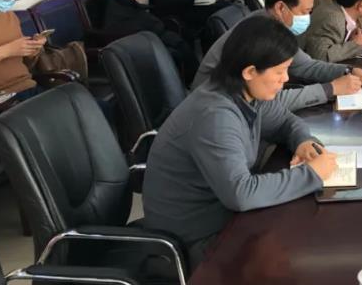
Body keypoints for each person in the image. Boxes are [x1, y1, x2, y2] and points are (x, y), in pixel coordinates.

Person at [143, 14, 339, 266]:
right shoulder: (215, 115)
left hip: (226, 218)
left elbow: (285, 122)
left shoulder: (245, 93)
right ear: (249, 71)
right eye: (279, 71)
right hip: (193, 240)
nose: (286, 79)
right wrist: (312, 174)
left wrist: (303, 141)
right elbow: (241, 194)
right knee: (303, 249)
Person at [193, 0, 362, 107]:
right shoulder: (261, 33)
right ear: (281, 8)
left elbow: (307, 66)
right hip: (214, 106)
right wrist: (331, 89)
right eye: (304, 12)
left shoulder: (273, 25)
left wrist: (348, 71)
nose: (308, 18)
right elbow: (272, 101)